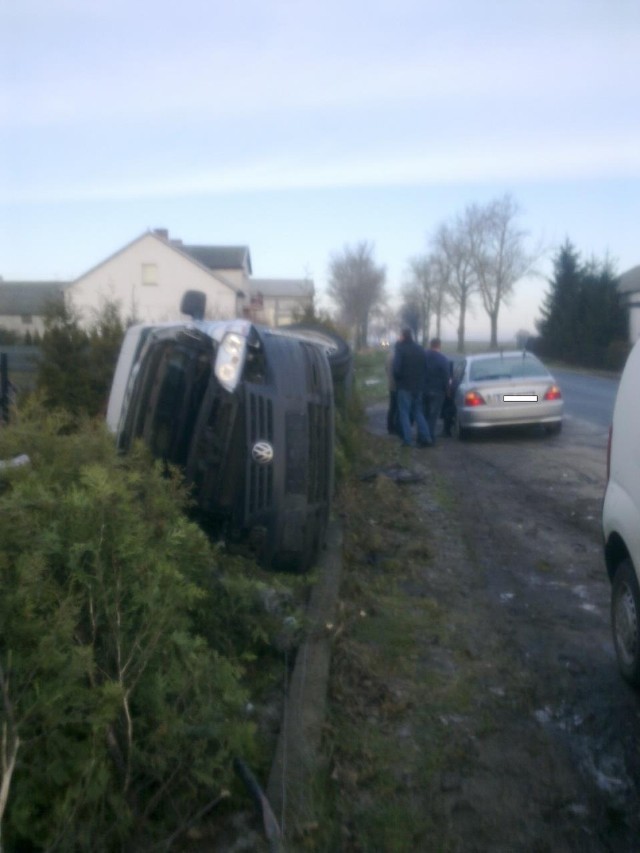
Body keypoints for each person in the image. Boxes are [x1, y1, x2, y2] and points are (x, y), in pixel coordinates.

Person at [392, 328, 432, 447]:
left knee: (404, 413)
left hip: (404, 386)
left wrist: (398, 380)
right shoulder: (420, 349)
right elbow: (426, 367)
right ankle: (426, 437)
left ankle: (407, 440)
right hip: (418, 387)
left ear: (403, 336)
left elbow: (396, 369)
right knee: (418, 412)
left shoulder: (400, 349)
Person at [424, 337, 451, 444]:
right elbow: (446, 376)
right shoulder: (443, 359)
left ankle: (423, 436)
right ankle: (430, 437)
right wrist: (447, 390)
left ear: (430, 345)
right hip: (437, 391)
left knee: (424, 414)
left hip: (424, 389)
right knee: (433, 415)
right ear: (439, 345)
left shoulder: (423, 357)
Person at [385, 347, 399, 435]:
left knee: (392, 407)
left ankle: (390, 426)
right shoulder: (398, 357)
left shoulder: (389, 356)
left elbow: (386, 369)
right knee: (398, 407)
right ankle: (396, 426)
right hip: (398, 385)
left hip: (391, 384)